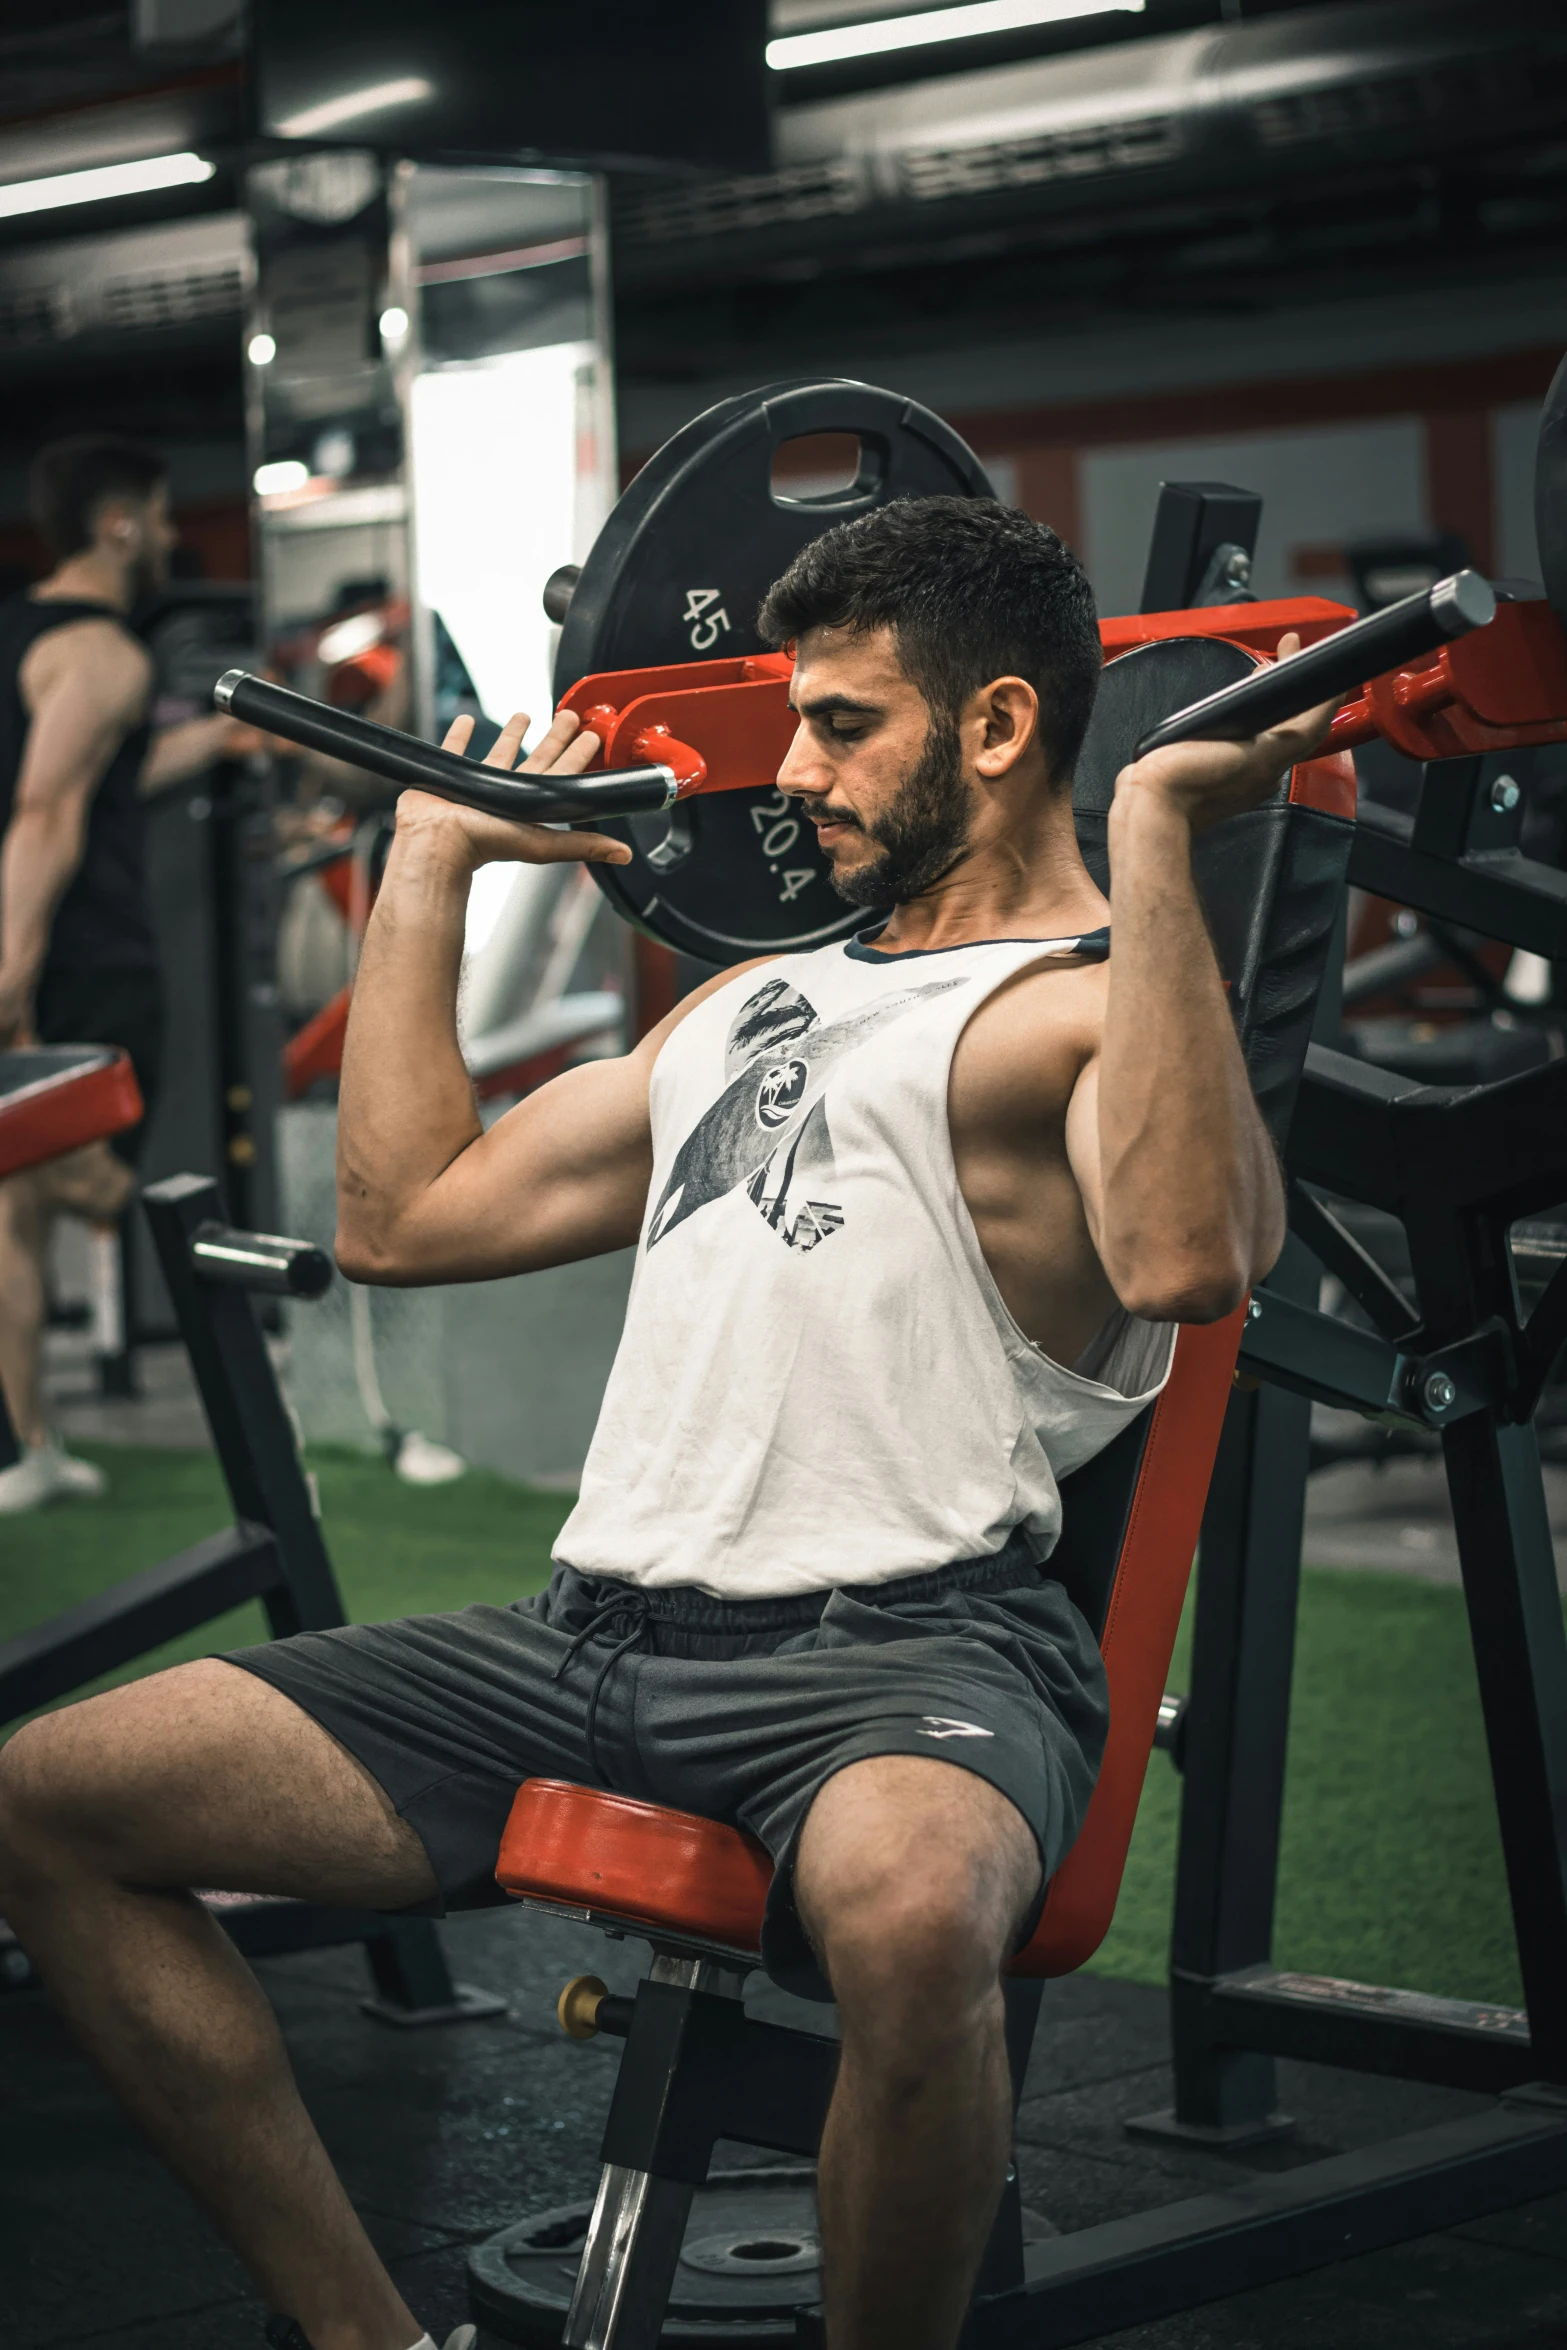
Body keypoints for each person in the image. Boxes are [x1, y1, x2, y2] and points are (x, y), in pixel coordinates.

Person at [0, 498, 1332, 2350]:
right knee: (51, 1801)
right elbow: (400, 1219)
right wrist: (435, 860)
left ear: (1003, 729)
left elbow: (1195, 1260)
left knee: (915, 1906)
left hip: (901, 1662)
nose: (789, 775)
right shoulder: (738, 1006)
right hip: (588, 1645)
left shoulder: (1080, 1015)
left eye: (843, 725)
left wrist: (1167, 834)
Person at [0, 435, 250, 1511]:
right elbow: (48, 810)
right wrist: (10, 969)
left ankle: (24, 1450)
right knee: (99, 1186)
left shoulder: (24, 637)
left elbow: (100, 774)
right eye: (155, 515)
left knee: (13, 1211)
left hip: (44, 941)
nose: (166, 536)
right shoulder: (107, 651)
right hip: (78, 954)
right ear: (118, 526)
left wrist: (220, 744)